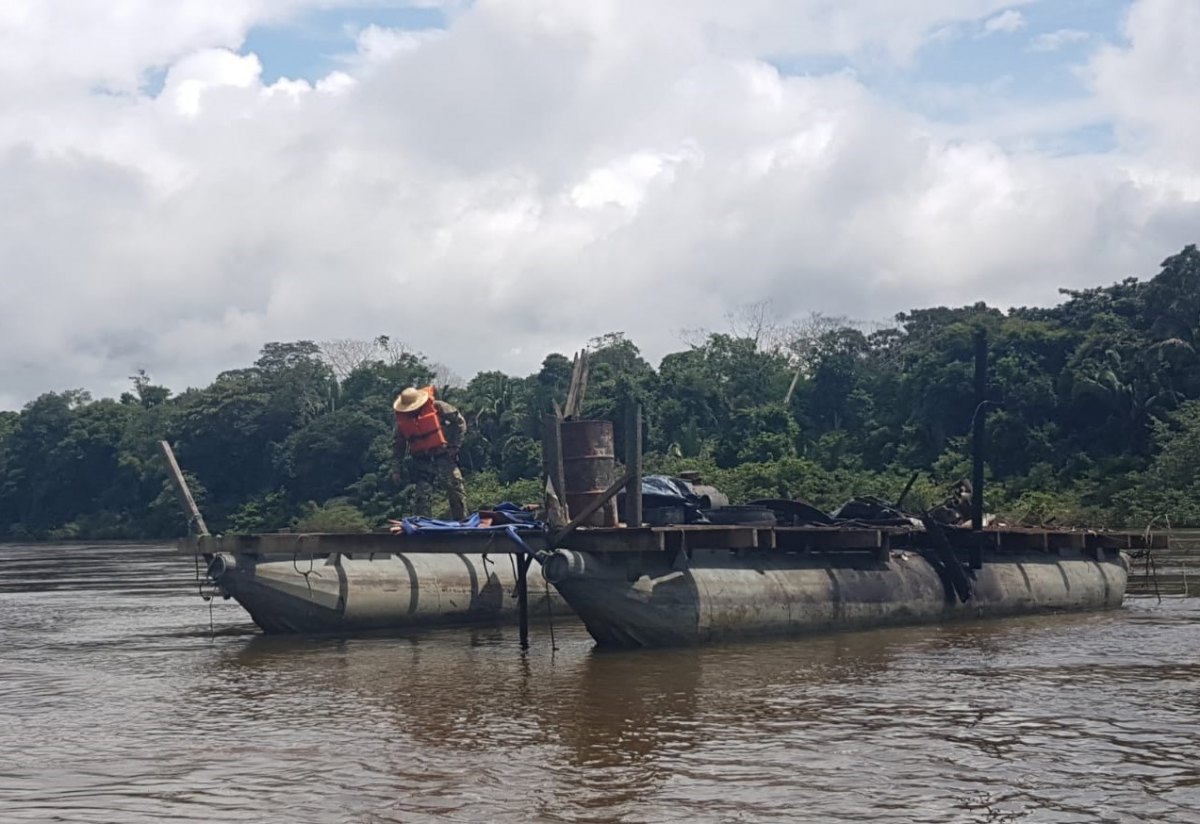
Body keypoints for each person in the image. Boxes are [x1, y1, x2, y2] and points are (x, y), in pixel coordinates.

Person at [391, 385, 468, 520]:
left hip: (443, 455)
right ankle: (424, 526)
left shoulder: (438, 407)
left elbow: (460, 422)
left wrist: (454, 446)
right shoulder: (402, 422)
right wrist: (396, 469)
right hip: (422, 461)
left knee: (455, 488)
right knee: (422, 497)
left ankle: (462, 522)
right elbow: (398, 447)